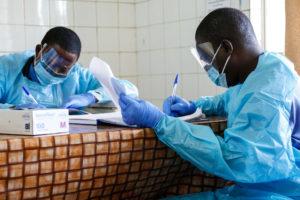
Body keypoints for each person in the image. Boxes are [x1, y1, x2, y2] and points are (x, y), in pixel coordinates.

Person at [118, 8, 300, 199]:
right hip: (258, 187)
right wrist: (195, 106)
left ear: (227, 49)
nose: (209, 69)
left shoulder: (267, 93)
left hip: (280, 191)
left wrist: (159, 121)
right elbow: (229, 100)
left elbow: (236, 159)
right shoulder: (264, 69)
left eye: (209, 60)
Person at [0, 26, 111, 109]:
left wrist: (90, 97)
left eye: (63, 69)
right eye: (51, 63)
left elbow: (120, 89)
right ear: (39, 51)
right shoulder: (5, 68)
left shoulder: (76, 74)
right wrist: (13, 110)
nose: (54, 72)